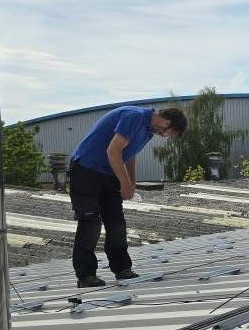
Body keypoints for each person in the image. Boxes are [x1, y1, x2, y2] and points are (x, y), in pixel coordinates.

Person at [69, 106, 187, 287]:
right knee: (90, 222)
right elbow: (113, 151)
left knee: (116, 223)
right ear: (167, 122)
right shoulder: (135, 117)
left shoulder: (149, 130)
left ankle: (123, 269)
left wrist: (131, 183)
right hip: (86, 170)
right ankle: (86, 276)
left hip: (108, 172)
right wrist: (124, 184)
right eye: (169, 133)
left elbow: (129, 154)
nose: (165, 136)